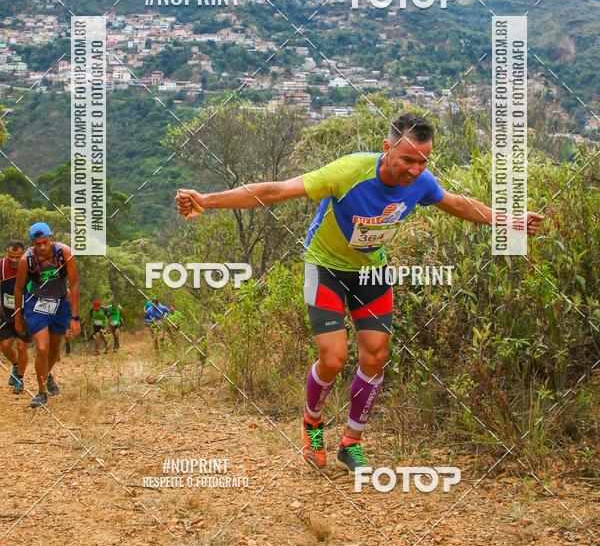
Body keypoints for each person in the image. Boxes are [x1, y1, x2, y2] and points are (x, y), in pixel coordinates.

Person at [176, 112, 544, 472]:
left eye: (423, 161)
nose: (415, 169)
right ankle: (312, 424)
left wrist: (510, 220)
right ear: (387, 147)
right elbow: (275, 191)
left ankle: (351, 443)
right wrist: (207, 200)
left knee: (375, 356)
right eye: (407, 160)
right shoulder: (350, 172)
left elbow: (458, 204)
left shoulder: (422, 181)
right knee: (334, 358)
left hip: (371, 272)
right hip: (326, 268)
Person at [14, 222, 81, 409]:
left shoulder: (65, 253)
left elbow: (74, 284)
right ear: (33, 243)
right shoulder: (26, 260)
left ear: (51, 237)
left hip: (59, 304)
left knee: (54, 351)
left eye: (45, 242)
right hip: (36, 305)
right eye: (38, 244)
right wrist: (18, 319)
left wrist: (75, 317)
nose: (42, 247)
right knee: (42, 348)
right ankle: (41, 392)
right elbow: (19, 290)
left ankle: (47, 374)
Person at [0, 240, 30, 394]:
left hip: (24, 315)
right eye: (11, 256)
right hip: (6, 314)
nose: (14, 260)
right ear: (7, 252)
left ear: (23, 255)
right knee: (4, 346)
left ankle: (20, 378)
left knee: (21, 346)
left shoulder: (29, 267)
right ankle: (16, 365)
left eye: (17, 257)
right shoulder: (1, 266)